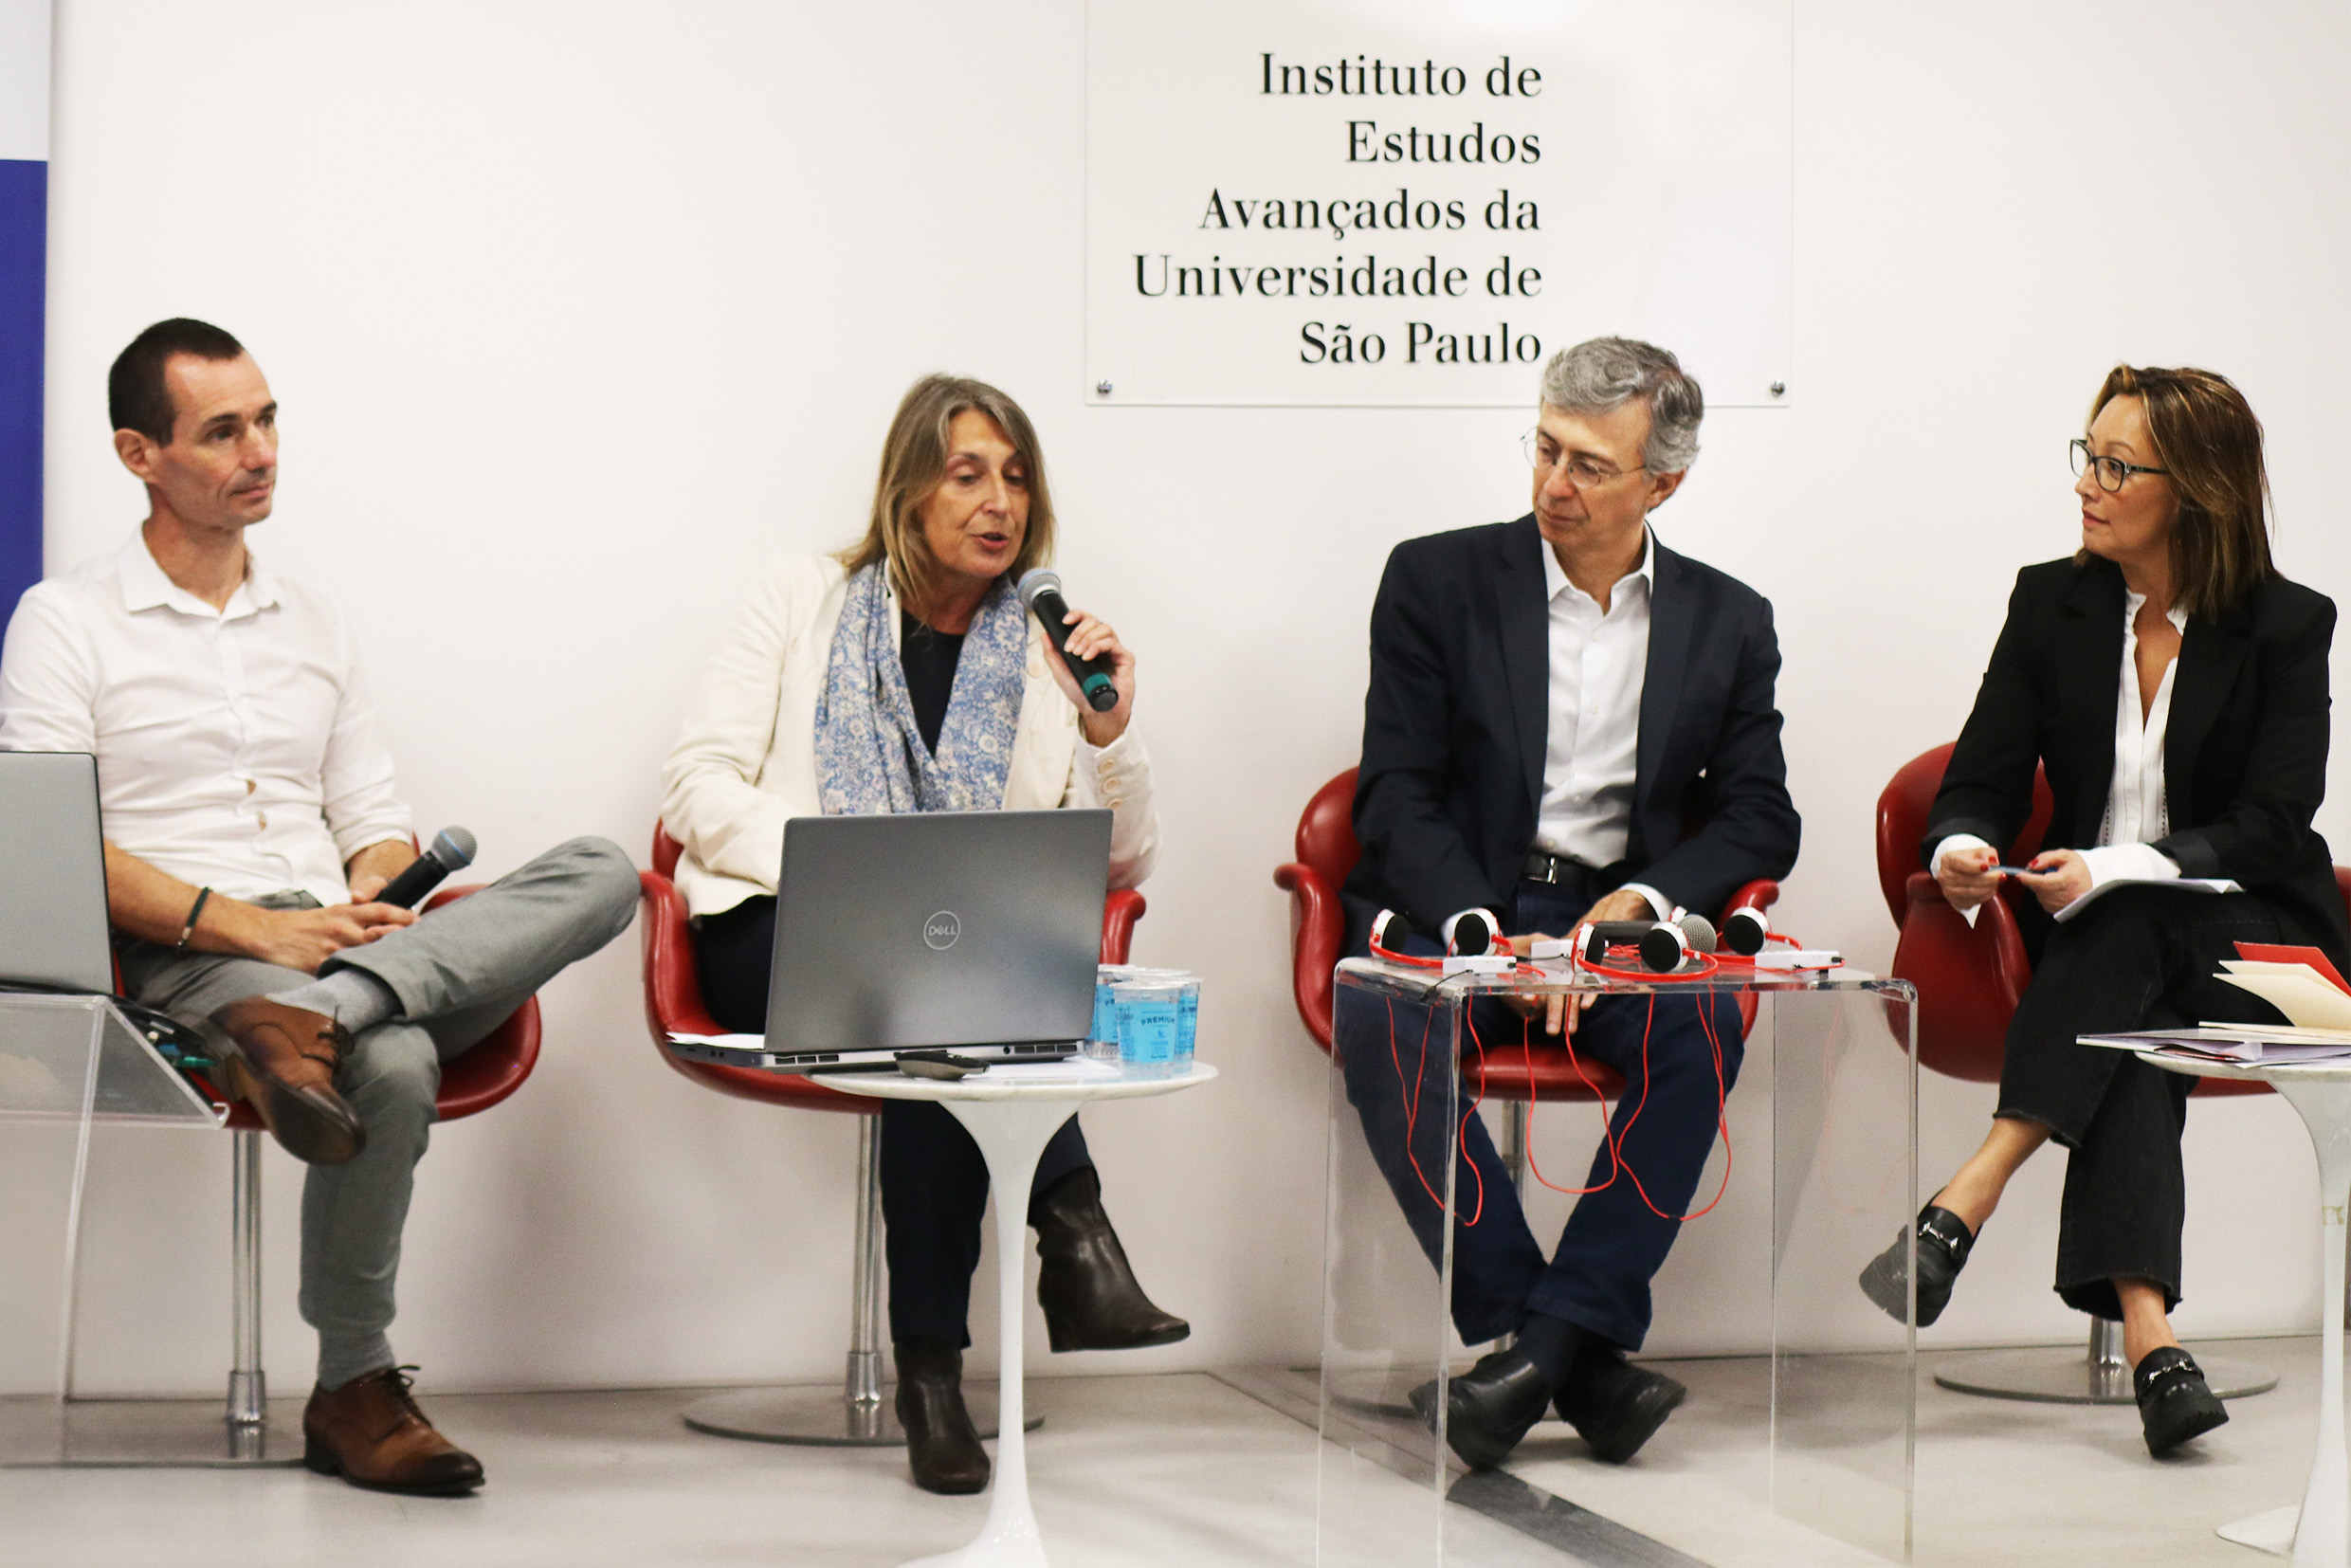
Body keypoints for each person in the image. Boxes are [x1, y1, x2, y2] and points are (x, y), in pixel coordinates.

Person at [0, 319, 640, 1495]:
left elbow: (370, 814)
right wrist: (261, 933)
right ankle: (355, 1385)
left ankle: (332, 1013)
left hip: (327, 946)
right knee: (390, 1066)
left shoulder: (316, 622)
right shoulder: (64, 621)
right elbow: (50, 850)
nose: (263, 450)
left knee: (603, 869)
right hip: (191, 954)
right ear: (140, 453)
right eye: (223, 430)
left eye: (270, 417)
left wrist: (376, 897)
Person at [661, 373, 1185, 1495]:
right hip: (778, 931)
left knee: (932, 1008)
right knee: (937, 993)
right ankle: (1072, 1234)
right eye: (966, 473)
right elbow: (692, 785)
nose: (997, 500)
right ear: (908, 490)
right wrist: (847, 862)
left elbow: (1123, 858)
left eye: (1014, 477)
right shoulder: (802, 596)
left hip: (947, 967)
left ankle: (934, 1378)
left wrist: (1109, 727)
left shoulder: (1045, 652)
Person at [1856, 365, 2346, 1456]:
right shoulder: (2052, 601)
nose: (2087, 482)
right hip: (2103, 952)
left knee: (2126, 916)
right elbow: (1977, 775)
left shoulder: (2284, 623)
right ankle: (2154, 1342)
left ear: (2197, 490)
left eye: (2116, 464)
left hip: (2260, 943)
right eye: (2085, 453)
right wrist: (1960, 848)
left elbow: (2274, 822)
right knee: (2125, 1015)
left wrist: (2130, 862)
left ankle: (1962, 1199)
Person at [1337, 337, 1800, 1470]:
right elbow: (1393, 788)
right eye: (1545, 447)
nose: (1554, 480)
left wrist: (1639, 903)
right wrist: (1495, 942)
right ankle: (1568, 1351)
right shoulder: (1433, 579)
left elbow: (1758, 816)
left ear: (1663, 484)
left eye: (1590, 464)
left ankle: (1531, 1356)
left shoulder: (1728, 621)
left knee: (1705, 1021)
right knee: (1380, 1018)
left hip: (1615, 925)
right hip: (1466, 912)